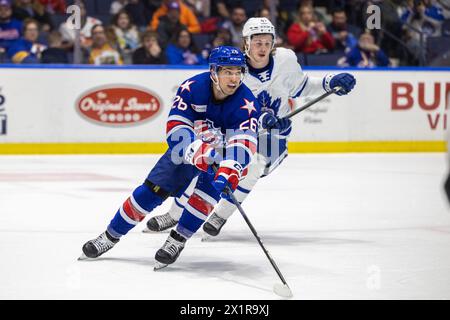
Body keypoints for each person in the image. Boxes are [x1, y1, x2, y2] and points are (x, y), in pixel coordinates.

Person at [145, 17, 356, 239]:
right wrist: (261, 117)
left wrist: (329, 82)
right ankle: (176, 214)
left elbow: (301, 86)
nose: (262, 47)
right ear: (246, 42)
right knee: (209, 165)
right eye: (257, 42)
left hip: (274, 137)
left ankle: (220, 216)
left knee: (255, 165)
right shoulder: (236, 71)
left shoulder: (286, 60)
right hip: (238, 132)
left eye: (267, 42)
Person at [79, 46, 261, 269]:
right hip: (187, 150)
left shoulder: (247, 102)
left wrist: (231, 168)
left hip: (222, 155)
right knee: (149, 192)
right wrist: (195, 150)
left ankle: (177, 241)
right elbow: (176, 128)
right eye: (228, 72)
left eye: (238, 72)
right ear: (214, 72)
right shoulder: (193, 88)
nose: (234, 78)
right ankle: (109, 236)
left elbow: (245, 142)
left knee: (204, 199)